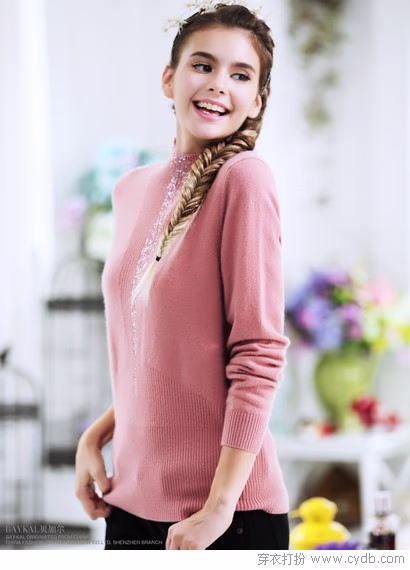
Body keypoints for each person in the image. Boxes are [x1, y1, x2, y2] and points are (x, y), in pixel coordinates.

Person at [75, 1, 290, 550]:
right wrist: (98, 434)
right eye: (203, 65)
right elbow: (161, 357)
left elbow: (259, 353)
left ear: (257, 100)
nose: (218, 84)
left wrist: (217, 508)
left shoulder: (244, 180)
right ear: (169, 79)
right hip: (128, 505)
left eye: (240, 74)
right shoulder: (130, 190)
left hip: (223, 516)